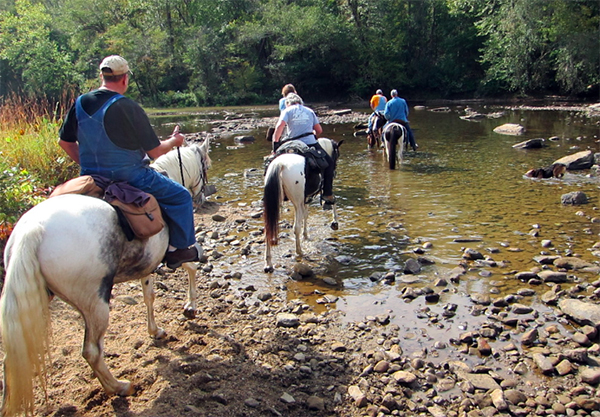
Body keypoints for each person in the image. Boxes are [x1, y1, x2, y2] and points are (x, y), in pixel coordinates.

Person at [58, 55, 199, 269]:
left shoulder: (80, 103)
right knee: (180, 196)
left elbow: (65, 142)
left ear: (102, 76)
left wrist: (89, 167)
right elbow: (155, 152)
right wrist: (174, 141)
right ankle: (177, 250)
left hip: (90, 177)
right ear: (125, 79)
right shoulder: (128, 107)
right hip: (131, 176)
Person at [272, 93, 336, 209]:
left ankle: (269, 193)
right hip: (309, 142)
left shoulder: (287, 111)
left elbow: (279, 128)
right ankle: (327, 194)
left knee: (270, 163)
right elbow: (319, 130)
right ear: (300, 102)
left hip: (290, 143)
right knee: (329, 163)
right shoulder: (309, 111)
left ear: (287, 103)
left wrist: (275, 146)